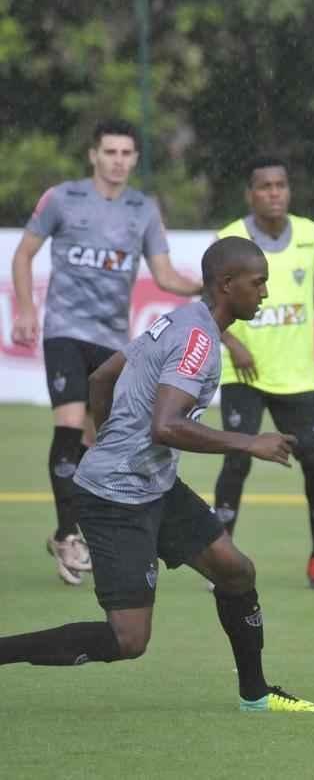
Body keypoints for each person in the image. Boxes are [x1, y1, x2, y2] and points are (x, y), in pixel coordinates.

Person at [0, 236, 314, 713]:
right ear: (227, 285)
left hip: (155, 486)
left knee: (235, 570)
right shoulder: (198, 340)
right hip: (115, 499)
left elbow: (101, 378)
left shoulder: (181, 319)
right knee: (129, 639)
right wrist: (250, 442)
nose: (265, 294)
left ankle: (255, 694)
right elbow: (166, 425)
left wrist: (112, 438)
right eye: (258, 284)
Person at [9, 118, 202, 586]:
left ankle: (90, 530)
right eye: (110, 152)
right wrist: (27, 309)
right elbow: (23, 254)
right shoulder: (62, 199)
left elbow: (164, 275)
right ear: (94, 155)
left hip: (113, 342)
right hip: (64, 333)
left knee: (101, 443)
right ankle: (66, 533)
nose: (118, 161)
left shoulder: (143, 209)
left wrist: (207, 287)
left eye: (126, 154)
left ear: (135, 159)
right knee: (70, 425)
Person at [211, 156, 314, 590]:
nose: (274, 193)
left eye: (281, 185)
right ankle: (220, 557)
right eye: (264, 186)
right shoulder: (230, 237)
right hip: (245, 377)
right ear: (250, 194)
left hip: (296, 378)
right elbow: (210, 303)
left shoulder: (310, 235)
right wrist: (233, 344)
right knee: (236, 461)